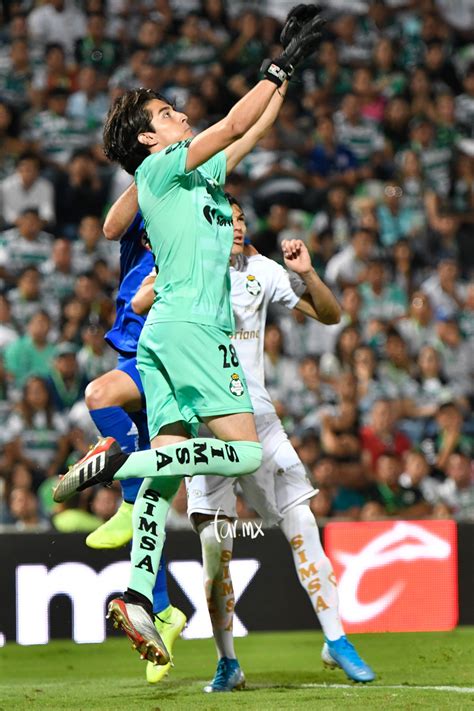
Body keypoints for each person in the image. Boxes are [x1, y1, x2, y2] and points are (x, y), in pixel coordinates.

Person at [53, 6, 327, 668]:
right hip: (187, 337)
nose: (181, 116)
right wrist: (274, 65)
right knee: (237, 457)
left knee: (163, 473)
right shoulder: (158, 173)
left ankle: (142, 592)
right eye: (169, 114)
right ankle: (124, 463)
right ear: (150, 142)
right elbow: (229, 124)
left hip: (172, 340)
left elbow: (246, 132)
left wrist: (285, 79)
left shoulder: (197, 176)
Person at [131, 196, 374, 689]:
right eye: (224, 219)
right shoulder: (185, 270)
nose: (236, 226)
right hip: (205, 431)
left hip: (259, 421)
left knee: (303, 523)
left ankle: (336, 639)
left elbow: (330, 316)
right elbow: (139, 306)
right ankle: (228, 661)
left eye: (240, 218)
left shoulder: (261, 270)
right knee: (216, 553)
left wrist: (309, 273)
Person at [84, 191, 185, 684]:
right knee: (153, 508)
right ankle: (164, 611)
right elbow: (108, 228)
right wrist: (146, 174)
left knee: (99, 395)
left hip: (162, 357)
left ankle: (125, 499)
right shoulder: (149, 200)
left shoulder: (193, 218)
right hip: (136, 350)